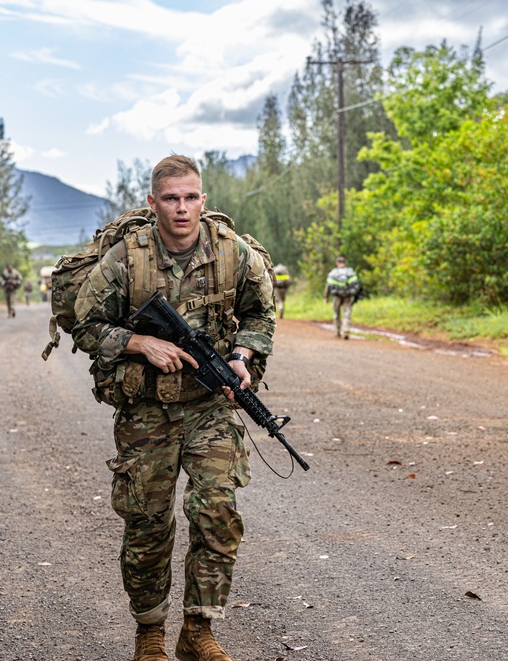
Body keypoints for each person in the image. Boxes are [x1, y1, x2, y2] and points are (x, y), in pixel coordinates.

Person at [71, 155, 275, 661]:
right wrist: (139, 342)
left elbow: (260, 313)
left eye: (190, 198)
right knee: (147, 524)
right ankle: (150, 635)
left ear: (203, 200)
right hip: (147, 413)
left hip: (211, 407)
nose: (181, 209)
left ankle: (199, 629)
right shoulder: (126, 258)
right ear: (153, 202)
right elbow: (84, 325)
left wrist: (243, 357)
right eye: (170, 198)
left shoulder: (235, 253)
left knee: (218, 513)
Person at [324, 255, 361, 339]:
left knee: (336, 313)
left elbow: (328, 286)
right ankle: (346, 330)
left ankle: (337, 331)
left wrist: (326, 296)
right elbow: (356, 285)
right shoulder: (350, 272)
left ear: (337, 263)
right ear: (345, 263)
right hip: (348, 295)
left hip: (336, 296)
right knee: (347, 313)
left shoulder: (333, 273)